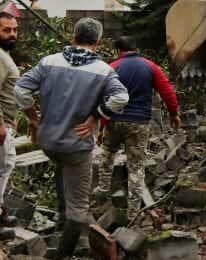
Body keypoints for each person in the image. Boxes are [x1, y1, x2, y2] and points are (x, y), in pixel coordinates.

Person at [15, 18, 128, 259]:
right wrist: (96, 117)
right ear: (97, 43)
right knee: (79, 211)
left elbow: (20, 89)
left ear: (73, 37)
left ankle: (59, 215)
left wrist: (33, 118)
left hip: (47, 142)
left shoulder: (48, 62)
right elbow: (121, 98)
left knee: (61, 165)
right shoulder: (104, 70)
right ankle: (63, 253)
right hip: (76, 146)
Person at [96, 36, 180, 219]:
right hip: (139, 124)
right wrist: (174, 114)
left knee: (107, 156)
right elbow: (167, 91)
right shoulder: (150, 66)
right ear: (136, 48)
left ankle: (102, 193)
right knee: (136, 167)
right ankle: (133, 211)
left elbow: (104, 98)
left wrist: (101, 127)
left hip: (114, 121)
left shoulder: (112, 67)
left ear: (119, 50)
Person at [0, 13, 19, 227]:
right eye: (6, 30)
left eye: (14, 29)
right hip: (1, 126)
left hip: (7, 122)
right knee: (4, 167)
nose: (12, 34)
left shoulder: (4, 54)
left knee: (7, 164)